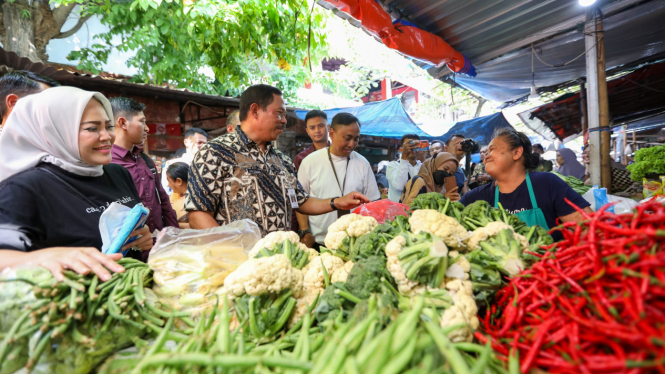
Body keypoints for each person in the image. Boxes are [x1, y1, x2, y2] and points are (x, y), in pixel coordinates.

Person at [0, 86, 153, 281]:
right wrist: (44, 257)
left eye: (108, 126)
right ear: (54, 132)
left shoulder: (118, 173)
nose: (106, 136)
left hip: (132, 297)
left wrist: (141, 239)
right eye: (92, 128)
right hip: (76, 307)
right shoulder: (23, 189)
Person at [185, 84, 370, 235]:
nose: (284, 120)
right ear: (255, 111)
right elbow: (198, 215)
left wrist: (337, 202)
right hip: (237, 267)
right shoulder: (215, 153)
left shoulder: (283, 161)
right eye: (279, 113)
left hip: (278, 262)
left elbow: (300, 202)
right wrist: (233, 251)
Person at [460, 128, 592, 241]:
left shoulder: (547, 184)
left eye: (492, 149)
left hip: (549, 267)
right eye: (486, 152)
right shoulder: (475, 198)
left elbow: (589, 229)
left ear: (516, 153)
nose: (486, 156)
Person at [298, 112, 381, 248]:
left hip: (356, 241)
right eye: (347, 138)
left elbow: (373, 202)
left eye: (356, 139)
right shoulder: (310, 162)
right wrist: (304, 231)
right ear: (331, 133)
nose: (352, 144)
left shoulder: (362, 163)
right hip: (320, 241)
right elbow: (300, 201)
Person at [110, 97, 179, 238]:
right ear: (123, 123)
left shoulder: (145, 160)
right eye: (142, 122)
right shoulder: (107, 164)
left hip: (158, 243)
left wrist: (174, 235)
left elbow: (163, 200)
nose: (147, 128)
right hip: (130, 248)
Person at [292, 110, 331, 239]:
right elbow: (298, 195)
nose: (317, 130)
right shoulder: (302, 158)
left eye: (320, 126)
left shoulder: (340, 153)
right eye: (312, 127)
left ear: (328, 127)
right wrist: (304, 230)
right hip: (314, 223)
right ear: (307, 131)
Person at [161, 127, 208, 194]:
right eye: (199, 142)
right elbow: (166, 192)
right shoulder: (172, 165)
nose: (203, 146)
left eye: (205, 143)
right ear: (186, 142)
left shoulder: (209, 165)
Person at [387, 134, 423, 202]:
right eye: (410, 145)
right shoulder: (392, 165)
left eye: (416, 145)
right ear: (401, 149)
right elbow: (400, 186)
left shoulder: (422, 166)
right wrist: (404, 157)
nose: (412, 149)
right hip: (397, 210)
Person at [165, 162, 190, 229]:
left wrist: (170, 225)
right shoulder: (175, 194)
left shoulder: (192, 201)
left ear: (179, 181)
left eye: (169, 181)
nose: (168, 185)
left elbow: (195, 226)